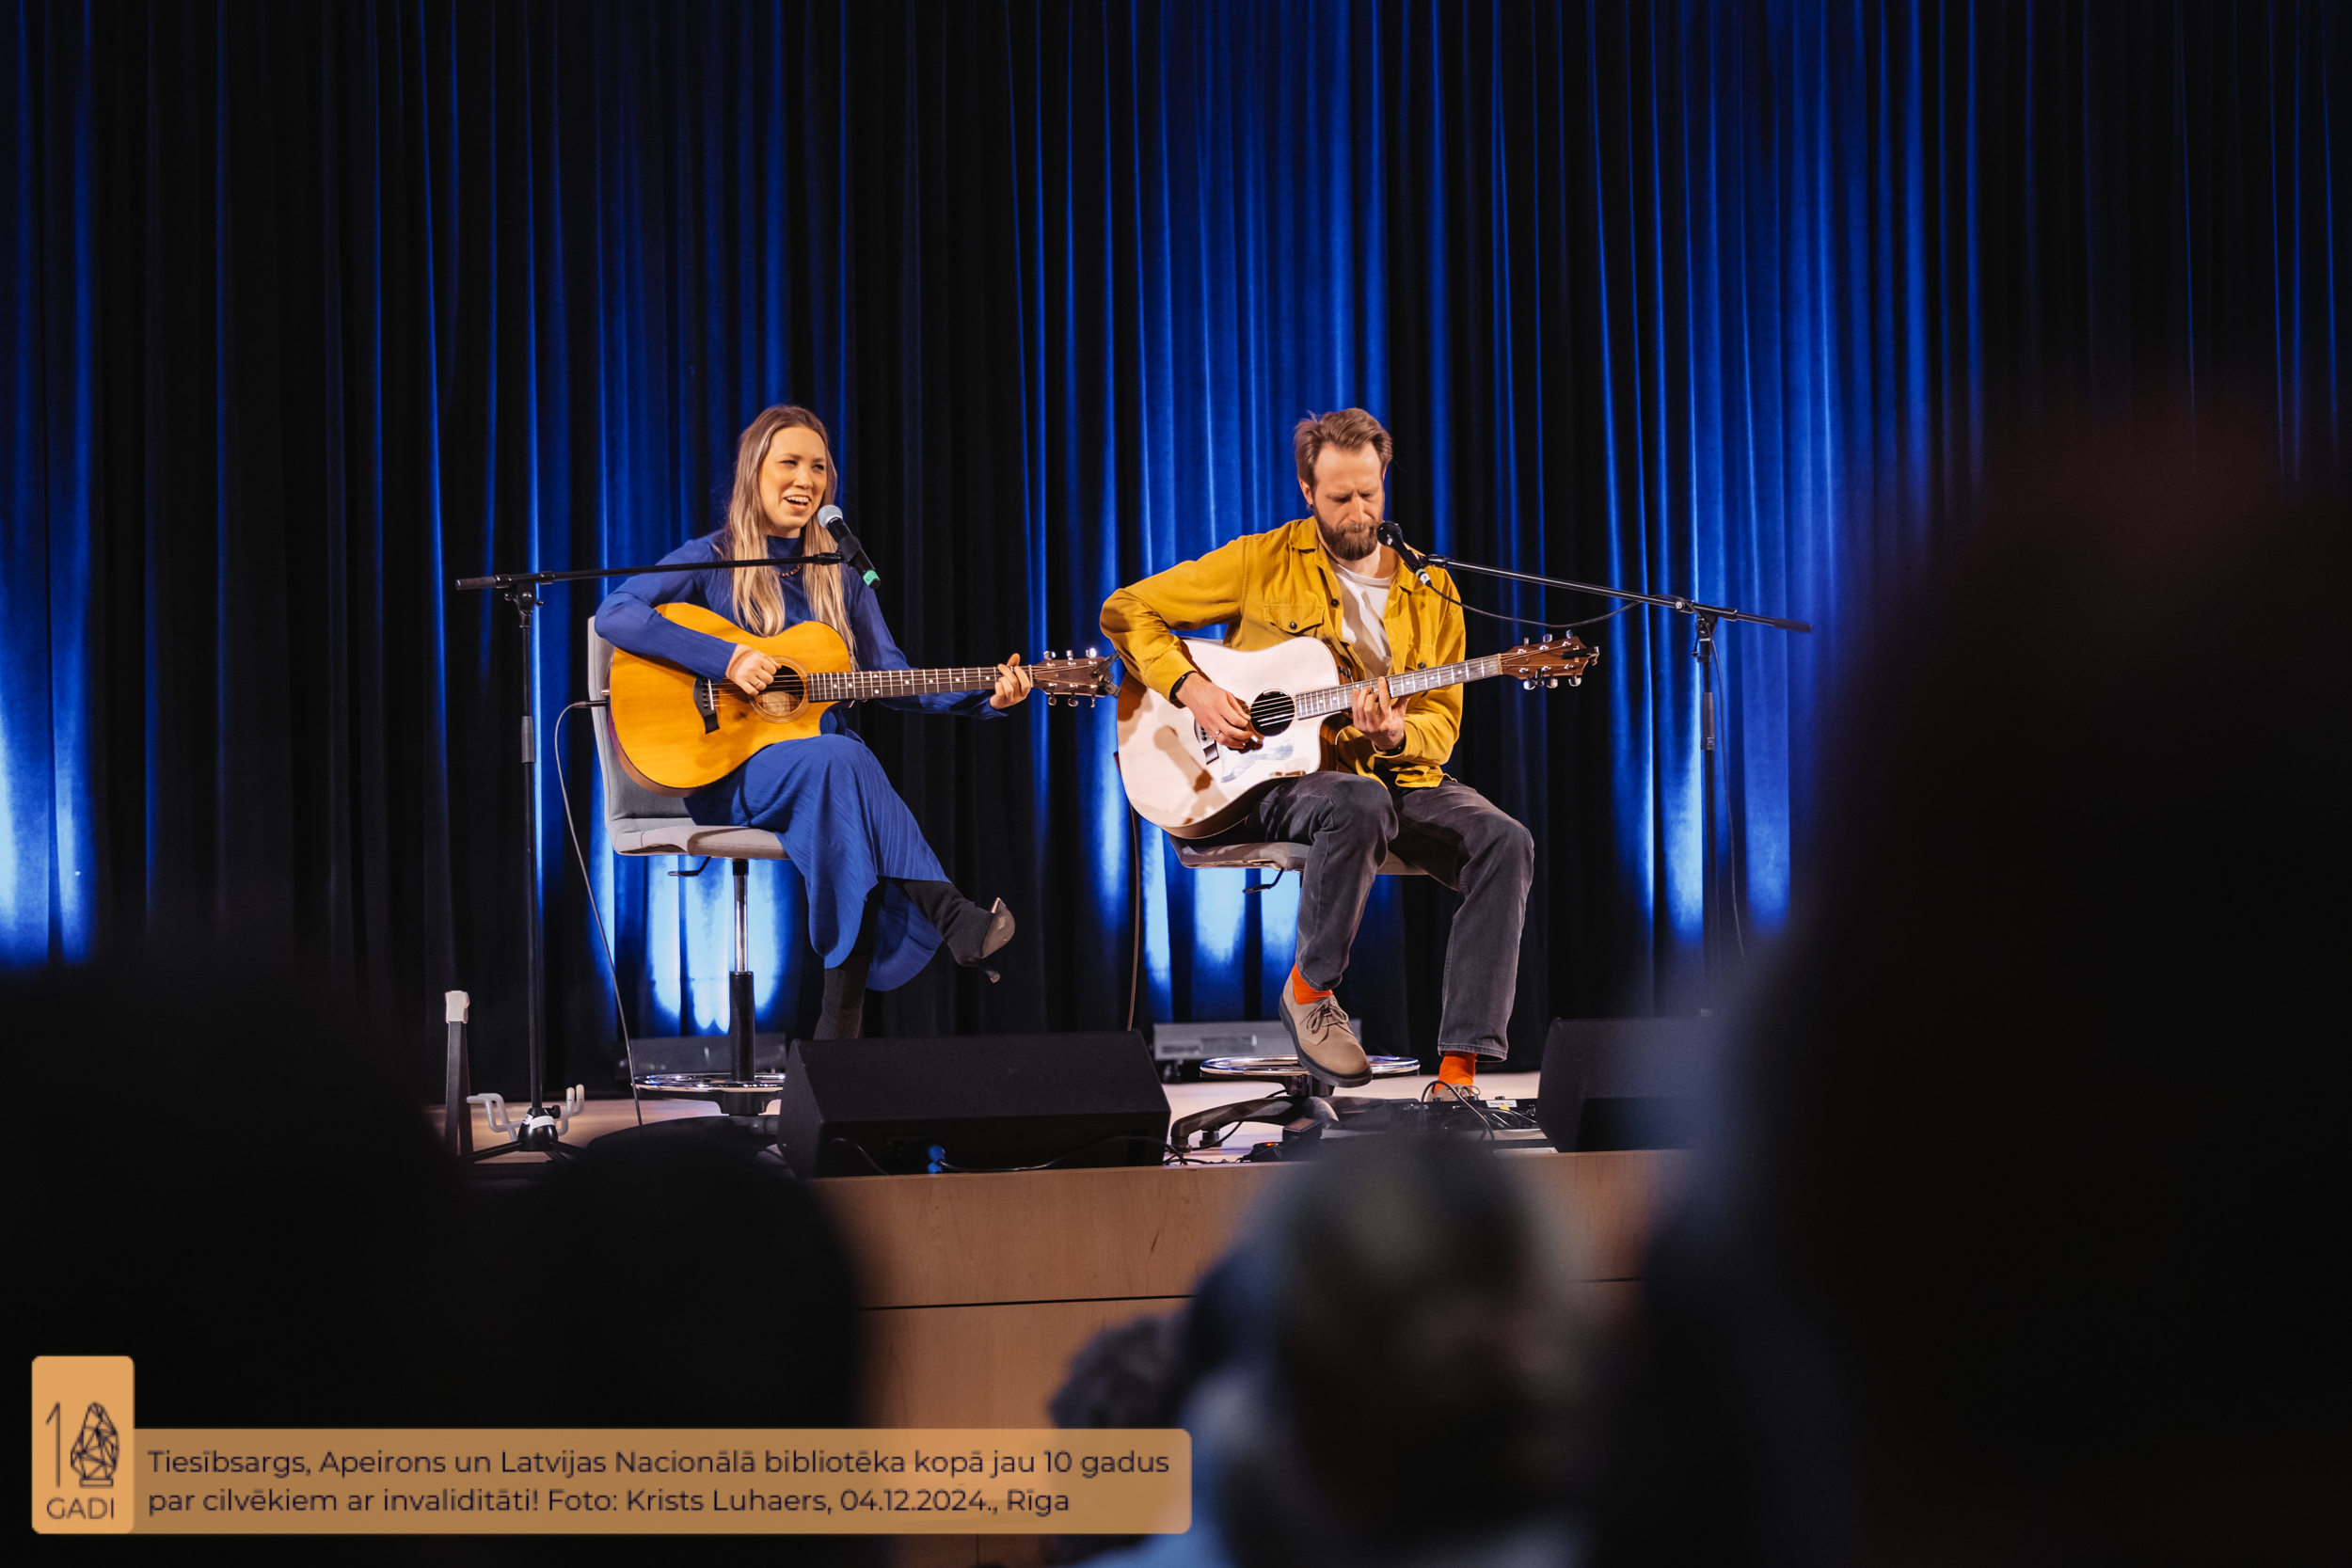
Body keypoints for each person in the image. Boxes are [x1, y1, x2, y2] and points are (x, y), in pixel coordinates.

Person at [1100, 408, 1534, 1090]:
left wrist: (1396, 733)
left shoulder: (1433, 587)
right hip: (1275, 780)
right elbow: (1125, 609)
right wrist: (1194, 690)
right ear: (1307, 491)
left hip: (1392, 777)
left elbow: (1440, 729)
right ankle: (1310, 990)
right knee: (1357, 801)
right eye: (1340, 497)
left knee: (1505, 840)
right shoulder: (1260, 561)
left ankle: (1460, 1072)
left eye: (1370, 492)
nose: (1359, 510)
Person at [596, 404, 1029, 1038]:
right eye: (790, 463)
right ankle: (948, 915)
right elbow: (616, 613)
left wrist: (989, 698)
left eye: (819, 467)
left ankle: (840, 1038)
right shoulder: (714, 558)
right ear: (754, 474)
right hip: (730, 769)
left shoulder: (843, 579)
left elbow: (896, 679)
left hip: (823, 779)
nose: (807, 479)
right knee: (846, 761)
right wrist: (727, 657)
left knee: (840, 773)